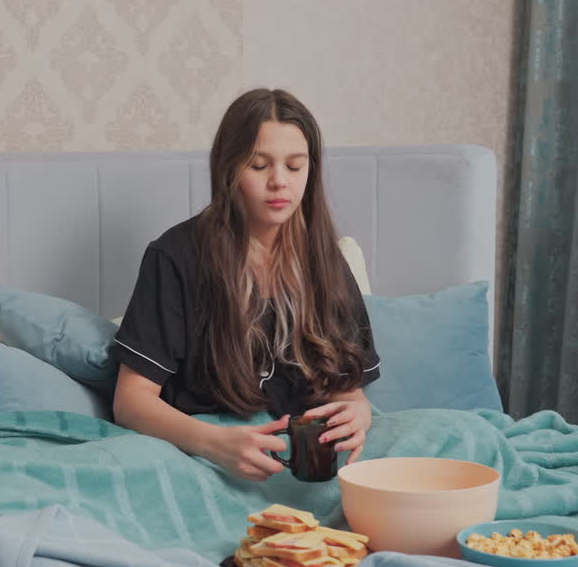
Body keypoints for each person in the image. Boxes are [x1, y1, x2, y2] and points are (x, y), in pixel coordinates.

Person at [111, 88, 380, 481]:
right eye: (258, 165)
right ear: (229, 169)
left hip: (308, 455)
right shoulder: (176, 256)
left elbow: (344, 389)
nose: (279, 183)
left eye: (295, 166)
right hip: (208, 452)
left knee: (461, 435)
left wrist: (359, 412)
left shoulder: (324, 259)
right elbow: (130, 401)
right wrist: (213, 444)